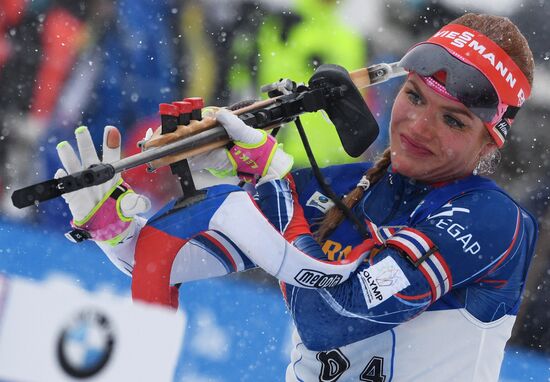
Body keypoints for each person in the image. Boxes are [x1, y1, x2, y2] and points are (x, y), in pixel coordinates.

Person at [54, 13, 537, 382]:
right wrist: (114, 228)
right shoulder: (341, 184)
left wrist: (274, 183)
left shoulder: (492, 220)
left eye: (453, 120)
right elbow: (166, 262)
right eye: (413, 97)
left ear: (490, 140)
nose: (418, 126)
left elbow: (334, 319)